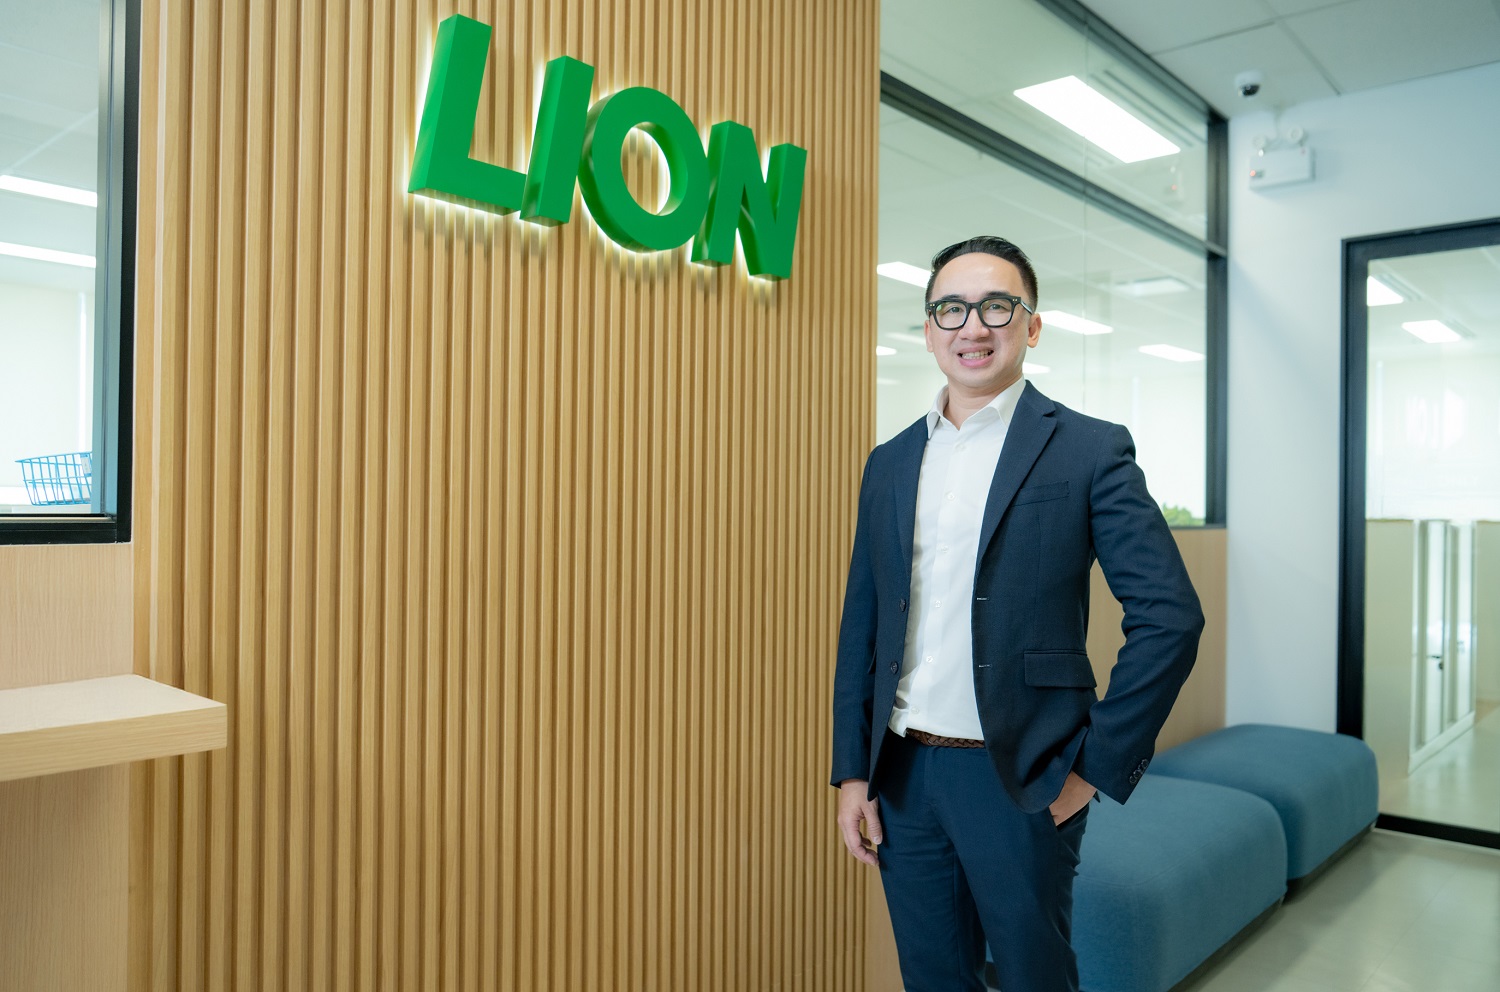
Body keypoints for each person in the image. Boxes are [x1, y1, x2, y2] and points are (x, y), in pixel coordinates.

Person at [830, 235, 1204, 992]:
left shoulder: (1089, 450)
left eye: (996, 307)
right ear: (929, 330)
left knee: (1035, 976)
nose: (972, 326)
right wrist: (851, 773)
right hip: (902, 772)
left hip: (1022, 776)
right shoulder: (890, 461)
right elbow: (862, 624)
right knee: (932, 977)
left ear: (1031, 326)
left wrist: (1092, 769)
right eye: (951, 309)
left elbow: (1170, 617)